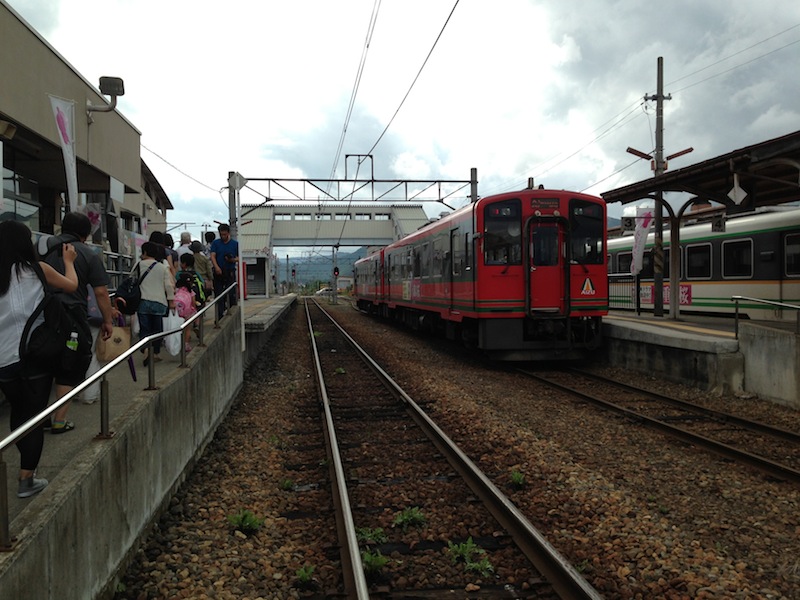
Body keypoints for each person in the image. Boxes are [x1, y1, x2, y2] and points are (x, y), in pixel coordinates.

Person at [0, 221, 78, 497]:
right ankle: (26, 479)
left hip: (4, 360)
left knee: (19, 413)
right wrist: (68, 261)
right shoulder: (37, 270)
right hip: (36, 355)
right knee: (34, 416)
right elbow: (71, 285)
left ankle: (25, 466)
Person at [43, 212, 115, 433]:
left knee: (43, 365)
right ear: (85, 234)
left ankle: (38, 419)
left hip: (41, 315)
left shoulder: (43, 249)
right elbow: (102, 292)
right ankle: (58, 420)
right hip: (72, 317)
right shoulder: (88, 254)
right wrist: (108, 321)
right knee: (68, 366)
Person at [133, 242, 174, 365]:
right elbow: (168, 285)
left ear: (145, 252)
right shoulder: (162, 267)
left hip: (143, 301)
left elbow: (132, 280)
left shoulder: (139, 265)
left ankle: (145, 349)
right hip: (159, 302)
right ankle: (155, 353)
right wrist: (171, 300)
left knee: (145, 329)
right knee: (157, 329)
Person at [175, 253, 205, 352]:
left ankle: (179, 342)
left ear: (183, 263)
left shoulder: (179, 274)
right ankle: (196, 328)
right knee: (191, 323)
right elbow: (203, 283)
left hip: (180, 306)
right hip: (195, 302)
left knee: (181, 326)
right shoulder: (196, 273)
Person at [209, 224, 239, 320]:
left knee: (231, 294)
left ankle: (231, 314)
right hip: (219, 271)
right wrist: (216, 267)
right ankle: (219, 316)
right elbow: (213, 256)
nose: (223, 237)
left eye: (225, 234)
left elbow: (239, 257)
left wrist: (232, 260)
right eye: (221, 234)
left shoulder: (235, 244)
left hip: (230, 270)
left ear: (228, 233)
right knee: (219, 295)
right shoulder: (216, 243)